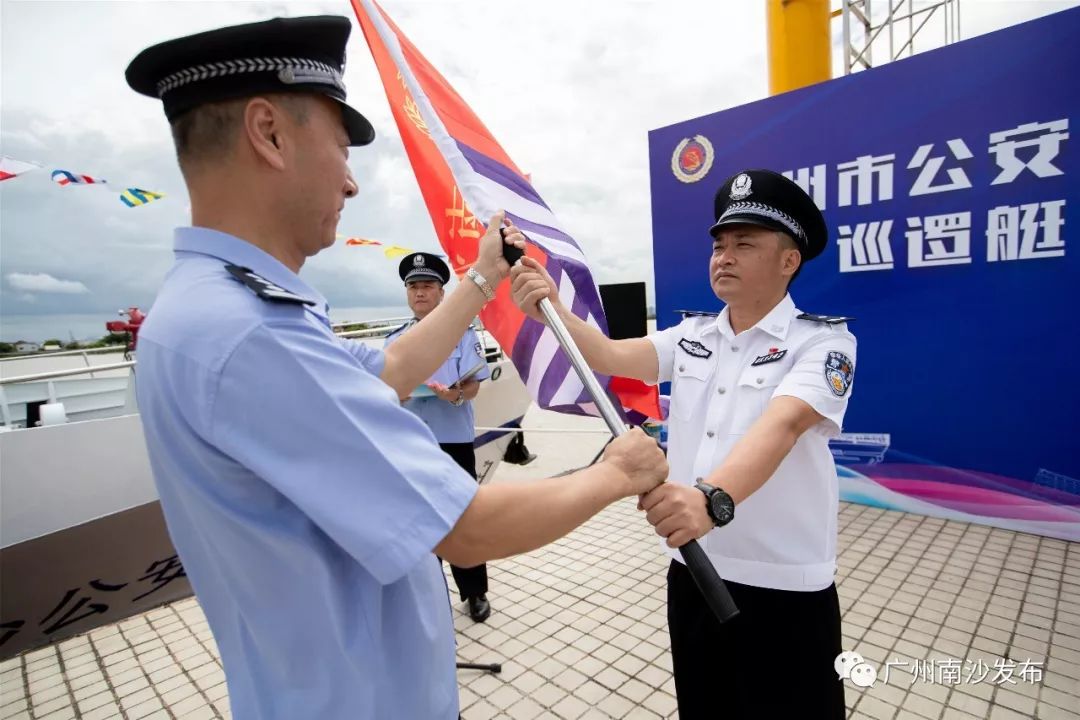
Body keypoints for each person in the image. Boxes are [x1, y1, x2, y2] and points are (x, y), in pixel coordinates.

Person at [126, 16, 668, 720]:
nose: (352, 183)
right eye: (343, 147)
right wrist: (617, 472)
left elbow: (388, 370)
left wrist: (479, 277)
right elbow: (468, 527)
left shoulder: (212, 309)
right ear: (269, 131)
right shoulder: (249, 334)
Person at [511, 169, 857, 718]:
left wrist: (709, 499)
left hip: (784, 583)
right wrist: (552, 308)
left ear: (789, 261)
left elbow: (783, 426)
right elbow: (606, 354)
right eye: (720, 244)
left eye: (745, 244)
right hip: (696, 570)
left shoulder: (824, 343)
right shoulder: (692, 336)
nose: (724, 256)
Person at [384, 252, 493, 623]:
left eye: (427, 286)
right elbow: (385, 389)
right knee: (418, 520)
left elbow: (474, 385)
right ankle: (430, 597)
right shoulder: (394, 341)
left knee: (463, 517)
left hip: (453, 440)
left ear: (442, 293)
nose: (419, 292)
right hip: (411, 442)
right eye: (413, 286)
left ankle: (474, 592)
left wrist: (455, 394)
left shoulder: (462, 335)